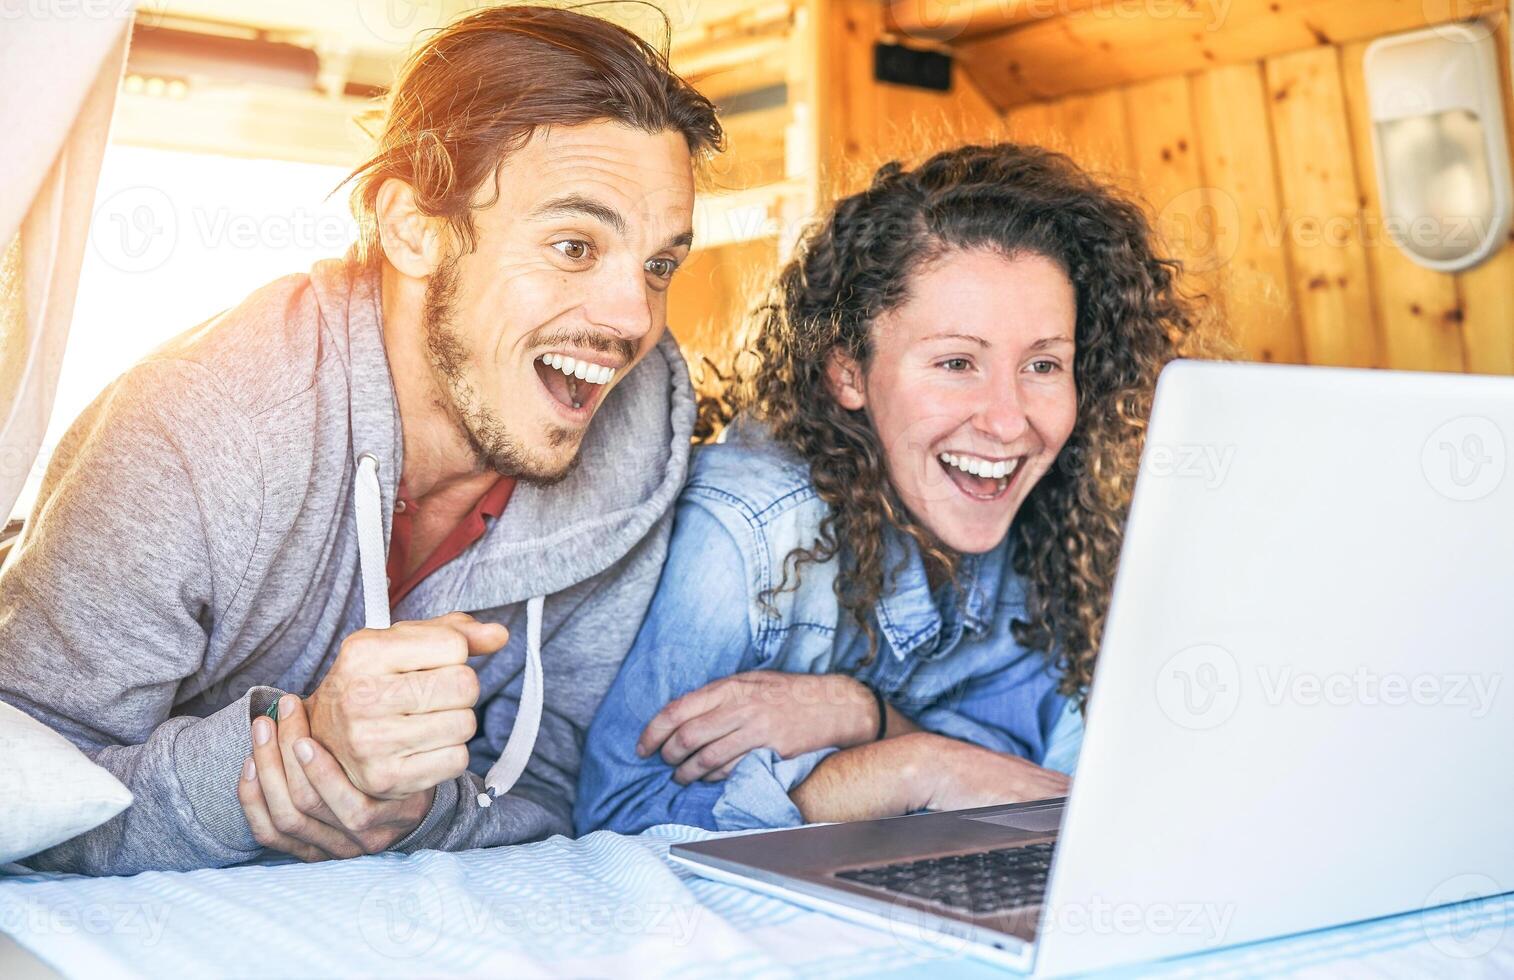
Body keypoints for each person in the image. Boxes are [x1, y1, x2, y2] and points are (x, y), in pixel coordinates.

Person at [0, 5, 722, 874]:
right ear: (414, 228)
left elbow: (560, 789)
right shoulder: (197, 431)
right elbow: (22, 794)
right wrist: (288, 769)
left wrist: (415, 813)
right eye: (574, 246)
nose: (633, 317)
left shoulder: (636, 453)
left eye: (658, 264)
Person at [576, 142, 1211, 834]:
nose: (1008, 421)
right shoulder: (745, 535)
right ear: (849, 374)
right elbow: (621, 820)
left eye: (1044, 365)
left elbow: (1016, 775)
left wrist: (864, 716)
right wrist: (911, 770)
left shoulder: (1040, 528)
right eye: (957, 362)